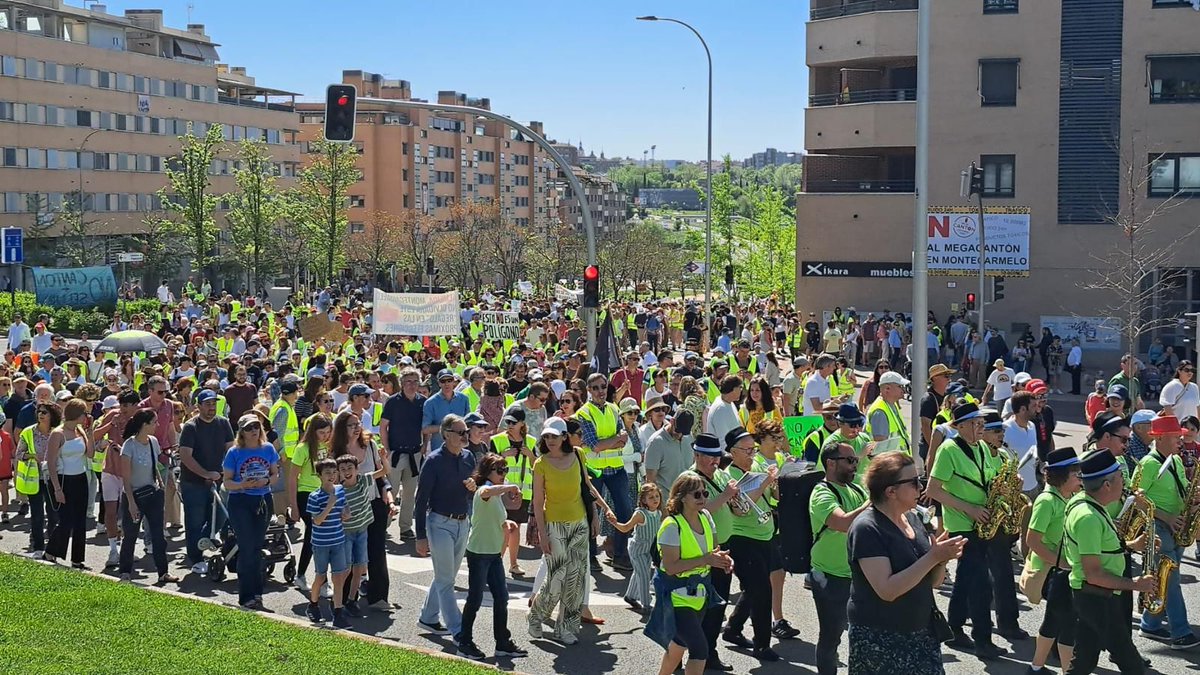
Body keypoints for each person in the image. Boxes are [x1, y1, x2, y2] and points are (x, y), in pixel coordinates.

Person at [847, 451, 964, 674]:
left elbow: (933, 582)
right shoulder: (867, 528)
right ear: (891, 491)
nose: (921, 487)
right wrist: (933, 557)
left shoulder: (914, 518)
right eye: (913, 482)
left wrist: (941, 560)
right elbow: (887, 590)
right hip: (881, 639)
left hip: (921, 633)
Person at [1063, 449, 1155, 674]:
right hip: (1096, 596)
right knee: (1131, 664)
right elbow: (1093, 573)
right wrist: (1135, 584)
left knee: (1083, 661)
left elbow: (1099, 548)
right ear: (1106, 484)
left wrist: (1132, 545)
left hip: (1095, 594)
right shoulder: (1088, 518)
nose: (1125, 481)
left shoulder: (1088, 505)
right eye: (1120, 477)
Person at [926, 402, 1005, 659]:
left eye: (982, 424)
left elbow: (988, 480)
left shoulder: (982, 447)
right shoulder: (949, 449)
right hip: (963, 525)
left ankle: (954, 627)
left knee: (967, 577)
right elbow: (933, 489)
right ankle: (983, 640)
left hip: (982, 523)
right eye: (976, 424)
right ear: (960, 426)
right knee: (981, 584)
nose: (981, 429)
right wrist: (969, 509)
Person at [528, 416, 608, 645]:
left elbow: (587, 486)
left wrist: (595, 514)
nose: (551, 440)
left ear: (564, 436)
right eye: (547, 436)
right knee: (555, 579)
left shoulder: (578, 455)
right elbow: (537, 501)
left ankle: (566, 628)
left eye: (555, 436)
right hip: (554, 525)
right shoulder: (540, 464)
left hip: (579, 523)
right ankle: (535, 616)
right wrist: (542, 534)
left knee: (575, 578)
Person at [646, 472, 735, 675]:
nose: (703, 498)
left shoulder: (706, 517)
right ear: (682, 496)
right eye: (697, 495)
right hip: (676, 598)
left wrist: (724, 560)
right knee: (699, 649)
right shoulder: (671, 525)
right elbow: (671, 567)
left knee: (678, 645)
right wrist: (706, 560)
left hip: (700, 595)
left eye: (705, 493)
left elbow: (714, 551)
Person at [1135, 415, 1200, 649]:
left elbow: (1182, 490)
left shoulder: (1176, 461)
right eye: (1175, 437)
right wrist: (1167, 516)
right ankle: (1181, 632)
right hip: (1159, 526)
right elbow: (1137, 498)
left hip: (1177, 527)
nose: (1180, 441)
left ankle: (1150, 624)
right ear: (1160, 438)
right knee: (1171, 579)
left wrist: (1193, 499)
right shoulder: (1148, 464)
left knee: (1164, 578)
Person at [457, 452, 529, 661]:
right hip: (479, 553)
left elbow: (498, 515)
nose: (504, 474)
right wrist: (510, 487)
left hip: (493, 554)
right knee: (475, 598)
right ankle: (465, 641)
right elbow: (486, 491)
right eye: (500, 470)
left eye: (505, 470)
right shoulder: (484, 490)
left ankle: (502, 642)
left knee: (501, 598)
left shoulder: (496, 496)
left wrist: (507, 523)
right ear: (488, 472)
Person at [809, 438, 870, 675]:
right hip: (830, 575)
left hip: (858, 575)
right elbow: (842, 522)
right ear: (831, 464)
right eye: (850, 460)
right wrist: (874, 500)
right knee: (831, 636)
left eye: (856, 460)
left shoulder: (855, 489)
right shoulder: (821, 493)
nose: (855, 465)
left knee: (862, 635)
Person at [414, 414, 477, 639]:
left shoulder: (469, 457)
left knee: (445, 575)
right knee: (445, 579)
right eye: (460, 432)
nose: (465, 436)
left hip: (463, 523)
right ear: (447, 434)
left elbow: (475, 484)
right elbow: (420, 500)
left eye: (466, 432)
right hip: (439, 523)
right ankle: (458, 628)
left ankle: (428, 617)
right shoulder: (433, 461)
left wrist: (474, 485)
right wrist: (420, 536)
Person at [683, 433, 743, 672]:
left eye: (716, 457)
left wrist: (736, 503)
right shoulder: (689, 479)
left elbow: (726, 505)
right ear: (696, 455)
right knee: (697, 607)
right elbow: (699, 509)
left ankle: (709, 652)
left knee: (718, 605)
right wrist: (726, 496)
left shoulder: (719, 474)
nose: (714, 462)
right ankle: (690, 653)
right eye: (708, 457)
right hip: (701, 553)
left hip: (723, 547)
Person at [720, 427, 781, 662]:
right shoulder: (729, 476)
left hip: (764, 534)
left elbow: (772, 497)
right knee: (762, 590)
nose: (751, 454)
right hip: (742, 537)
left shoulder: (756, 466)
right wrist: (766, 481)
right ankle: (762, 644)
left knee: (755, 587)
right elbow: (743, 508)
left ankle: (733, 628)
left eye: (753, 449)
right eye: (746, 450)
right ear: (732, 452)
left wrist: (774, 483)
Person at [1024, 447, 1082, 673]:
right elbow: (1033, 540)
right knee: (1067, 624)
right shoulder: (1047, 501)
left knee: (1055, 622)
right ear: (1061, 476)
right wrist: (1062, 563)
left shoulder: (1071, 497)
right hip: (1052, 572)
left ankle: (1036, 668)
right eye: (1075, 473)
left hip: (1064, 571)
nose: (1080, 477)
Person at [222, 414, 281, 610]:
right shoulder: (234, 452)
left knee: (256, 547)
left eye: (257, 426)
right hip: (240, 501)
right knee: (246, 547)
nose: (254, 431)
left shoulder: (268, 449)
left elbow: (275, 475)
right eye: (249, 428)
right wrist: (242, 484)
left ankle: (257, 594)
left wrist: (266, 481)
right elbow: (227, 482)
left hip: (263, 499)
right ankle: (246, 596)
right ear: (241, 432)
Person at [118, 408, 179, 584]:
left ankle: (163, 572)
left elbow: (154, 465)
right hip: (134, 496)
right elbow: (126, 478)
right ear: (144, 424)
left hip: (152, 493)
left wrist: (160, 484)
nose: (157, 425)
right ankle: (125, 572)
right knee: (130, 535)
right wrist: (131, 503)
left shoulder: (153, 441)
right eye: (154, 422)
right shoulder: (129, 446)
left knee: (158, 535)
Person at [178, 389, 234, 575]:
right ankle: (195, 558)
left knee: (220, 515)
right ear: (198, 406)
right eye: (208, 404)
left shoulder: (223, 423)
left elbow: (230, 451)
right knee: (195, 520)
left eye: (214, 403)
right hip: (193, 482)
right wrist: (205, 473)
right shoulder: (190, 427)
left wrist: (226, 472)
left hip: (218, 480)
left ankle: (204, 540)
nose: (212, 407)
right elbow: (186, 457)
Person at [44, 399, 93, 568]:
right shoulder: (58, 434)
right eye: (84, 413)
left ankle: (77, 559)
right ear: (76, 415)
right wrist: (57, 489)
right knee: (66, 520)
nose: (86, 416)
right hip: (64, 479)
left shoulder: (80, 430)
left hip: (80, 478)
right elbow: (51, 462)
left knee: (80, 520)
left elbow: (90, 454)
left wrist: (90, 431)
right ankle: (51, 551)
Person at [288, 413, 334, 593]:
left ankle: (305, 575)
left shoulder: (328, 446)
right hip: (307, 494)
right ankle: (316, 580)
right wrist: (293, 505)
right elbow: (292, 478)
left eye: (328, 432)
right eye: (322, 432)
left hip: (326, 492)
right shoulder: (303, 448)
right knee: (315, 534)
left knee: (318, 538)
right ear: (313, 431)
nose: (325, 436)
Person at [303, 457, 351, 628]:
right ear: (320, 476)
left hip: (338, 540)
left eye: (334, 472)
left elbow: (344, 508)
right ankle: (313, 604)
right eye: (327, 473)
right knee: (320, 576)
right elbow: (317, 521)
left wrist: (346, 514)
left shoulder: (340, 491)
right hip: (321, 543)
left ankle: (338, 611)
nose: (331, 476)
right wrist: (329, 505)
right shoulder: (314, 496)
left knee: (338, 576)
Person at [380, 367, 426, 540]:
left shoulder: (423, 401)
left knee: (409, 493)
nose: (412, 385)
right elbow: (383, 427)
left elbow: (426, 428)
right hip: (395, 453)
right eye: (408, 381)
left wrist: (425, 445)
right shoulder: (393, 402)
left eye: (415, 381)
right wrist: (387, 450)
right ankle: (383, 525)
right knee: (390, 491)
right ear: (402, 383)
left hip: (415, 453)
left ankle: (405, 527)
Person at [608, 482, 664, 612]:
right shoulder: (640, 514)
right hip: (637, 549)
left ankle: (630, 596)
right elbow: (626, 527)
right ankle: (646, 604)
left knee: (639, 573)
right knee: (644, 575)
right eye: (651, 497)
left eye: (657, 496)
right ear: (643, 500)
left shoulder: (659, 514)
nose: (655, 499)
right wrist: (614, 523)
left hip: (649, 550)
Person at [644, 410, 696, 499]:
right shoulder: (656, 442)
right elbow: (650, 480)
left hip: (687, 498)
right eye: (677, 430)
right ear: (672, 421)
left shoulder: (689, 437)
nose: (680, 434)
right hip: (666, 499)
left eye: (683, 432)